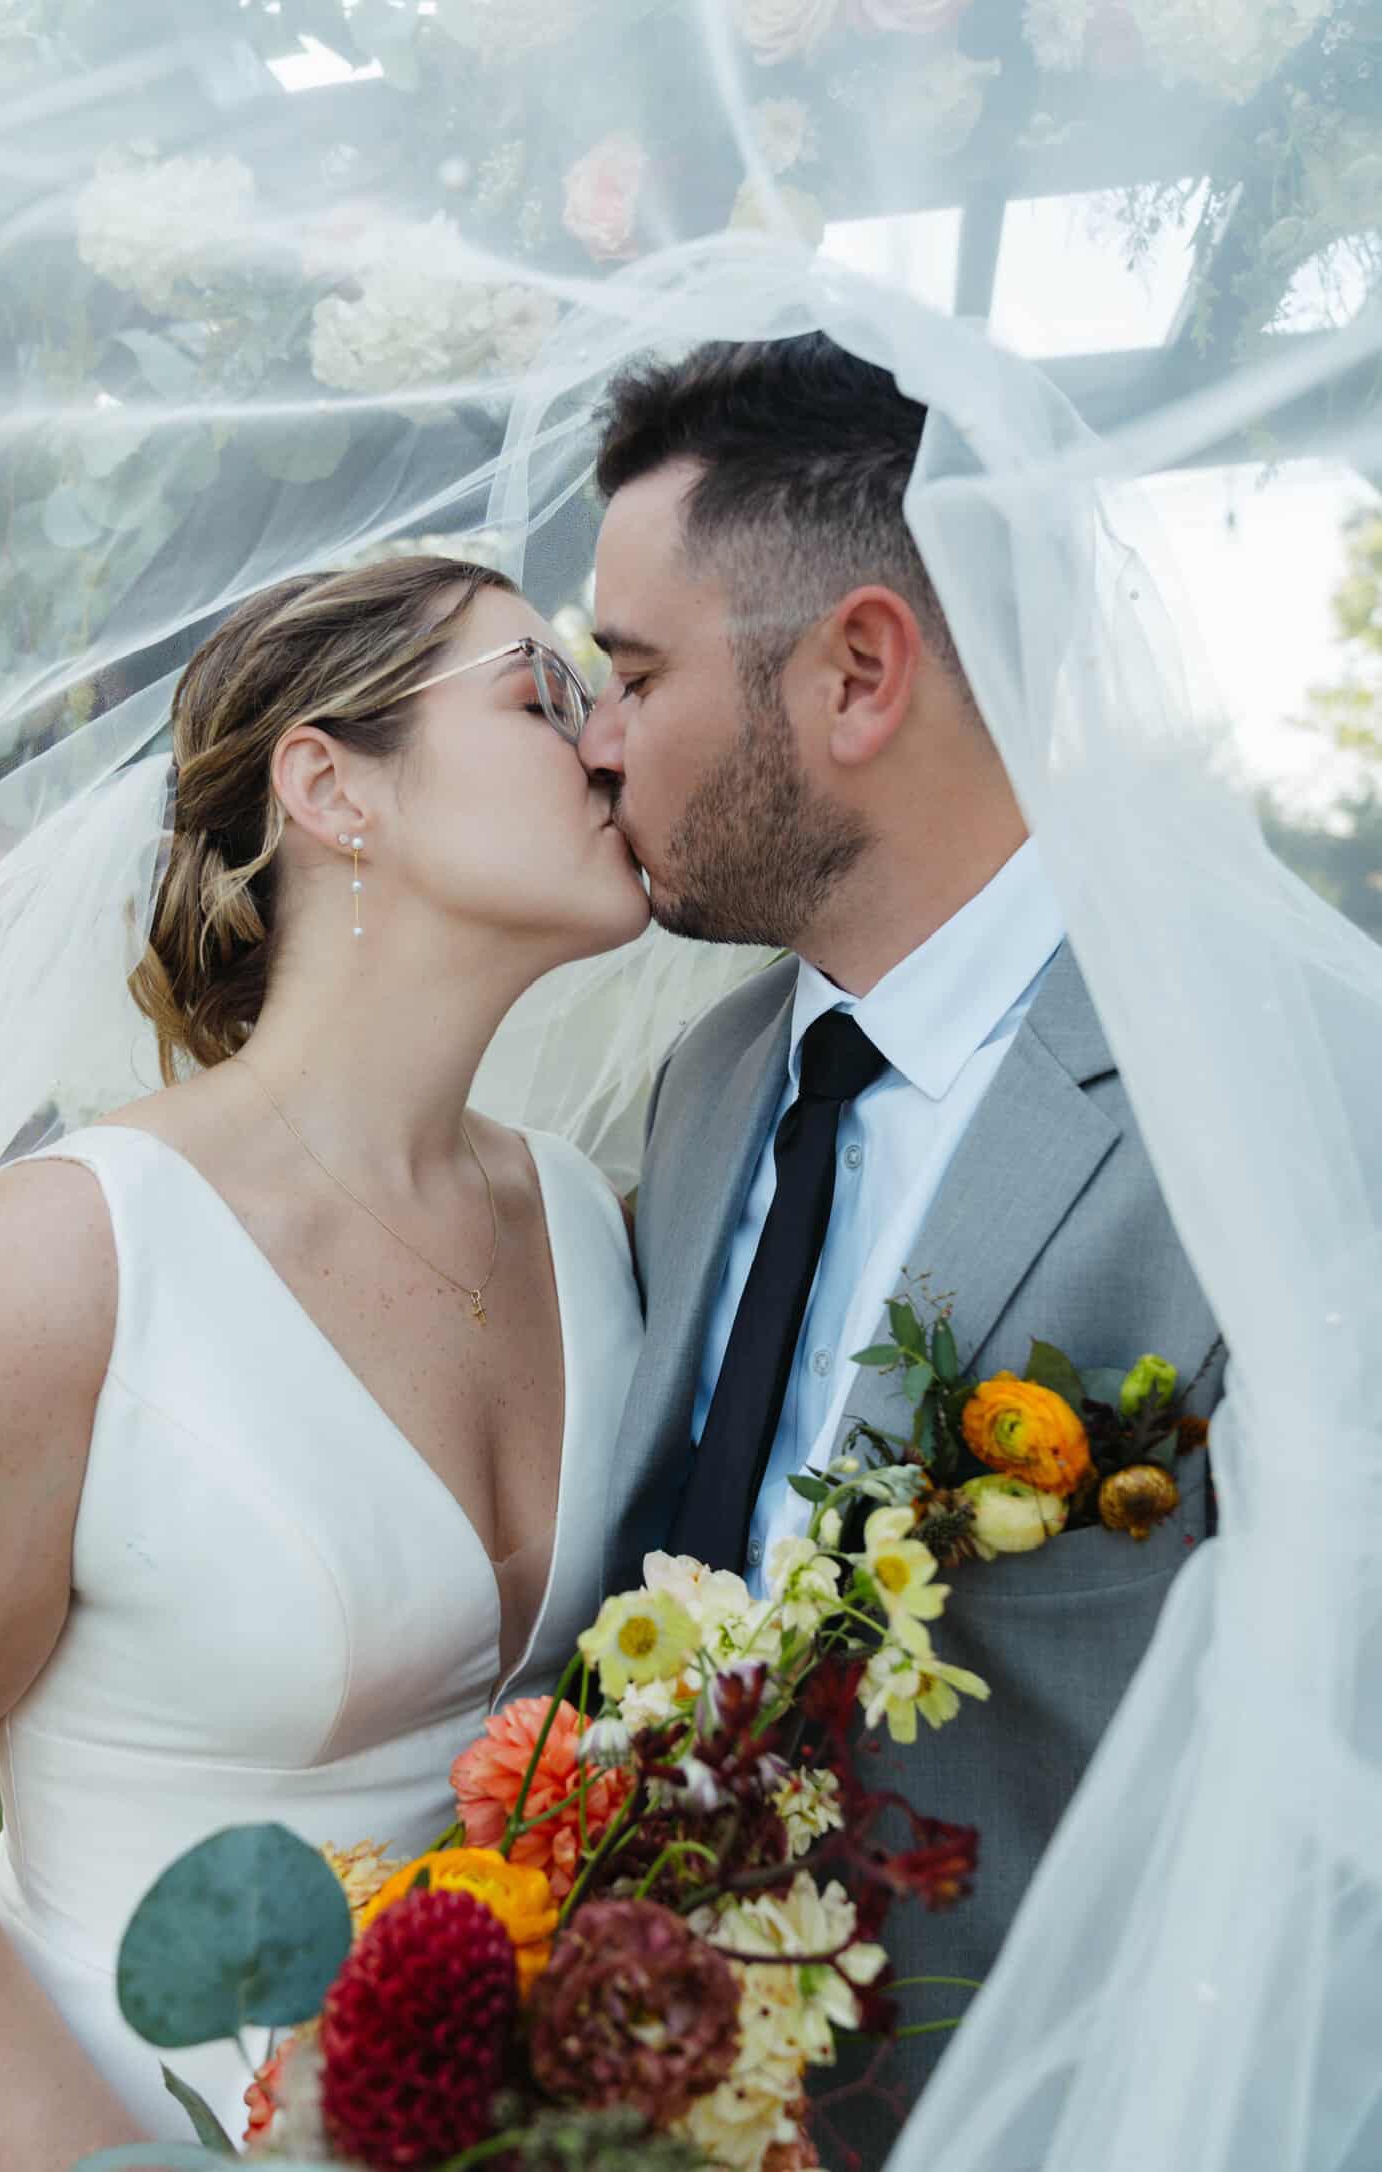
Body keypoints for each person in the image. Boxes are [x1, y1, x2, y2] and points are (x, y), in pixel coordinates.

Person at [582, 332, 1226, 2165]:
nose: (599, 737)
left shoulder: (1229, 1110)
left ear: (861, 670)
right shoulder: (711, 1084)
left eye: (634, 673)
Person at [0, 554, 650, 2166]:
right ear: (332, 787)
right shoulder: (82, 1253)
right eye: (545, 692)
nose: (611, 743)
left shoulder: (590, 1222)